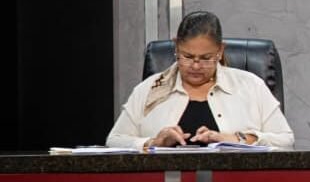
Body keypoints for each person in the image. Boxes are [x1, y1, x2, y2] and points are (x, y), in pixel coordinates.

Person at [107, 11, 294, 149]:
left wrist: (237, 139)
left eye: (206, 58)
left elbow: (286, 141)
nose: (195, 66)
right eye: (187, 57)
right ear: (176, 46)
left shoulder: (251, 86)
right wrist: (154, 142)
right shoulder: (149, 89)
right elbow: (114, 141)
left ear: (220, 50)